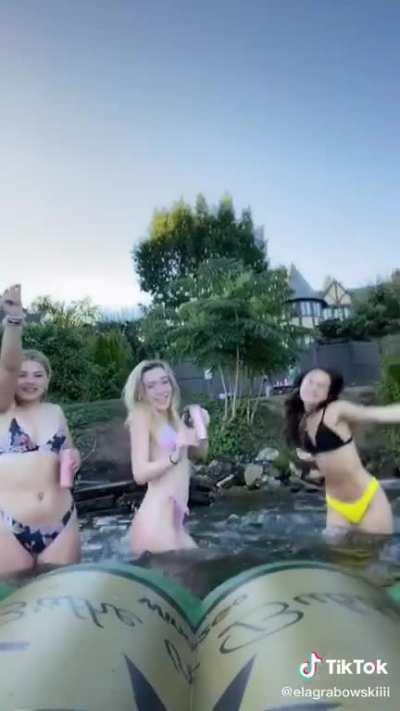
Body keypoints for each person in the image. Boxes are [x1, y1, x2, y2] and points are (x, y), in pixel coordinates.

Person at [0, 285, 81, 576]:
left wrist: (74, 457)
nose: (29, 381)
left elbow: (68, 451)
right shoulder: (4, 410)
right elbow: (8, 367)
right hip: (9, 526)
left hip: (62, 521)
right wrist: (14, 321)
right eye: (22, 375)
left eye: (38, 375)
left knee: (64, 595)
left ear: (47, 380)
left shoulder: (55, 411)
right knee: (13, 598)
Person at [284, 367, 397, 538]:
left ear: (328, 394)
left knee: (375, 552)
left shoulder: (336, 410)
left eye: (321, 386)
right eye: (310, 381)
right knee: (338, 554)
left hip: (368, 500)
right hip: (336, 505)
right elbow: (326, 463)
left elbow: (376, 414)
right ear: (301, 383)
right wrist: (307, 469)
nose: (313, 388)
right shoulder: (300, 421)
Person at [123, 359, 209, 555]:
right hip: (156, 524)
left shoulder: (173, 417)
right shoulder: (141, 415)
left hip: (175, 524)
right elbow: (139, 473)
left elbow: (199, 454)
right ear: (141, 392)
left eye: (164, 382)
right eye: (151, 386)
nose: (161, 390)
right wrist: (173, 458)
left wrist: (202, 428)